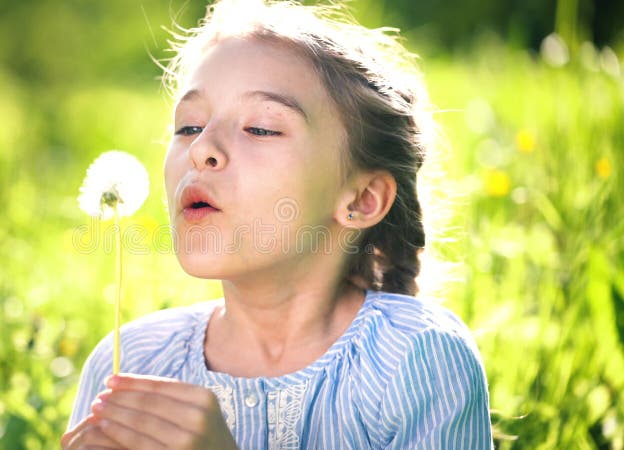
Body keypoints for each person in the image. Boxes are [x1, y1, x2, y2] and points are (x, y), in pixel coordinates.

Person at [62, 0, 493, 448]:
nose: (201, 147)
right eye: (188, 126)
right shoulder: (131, 363)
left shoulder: (419, 358)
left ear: (362, 200)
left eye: (261, 129)